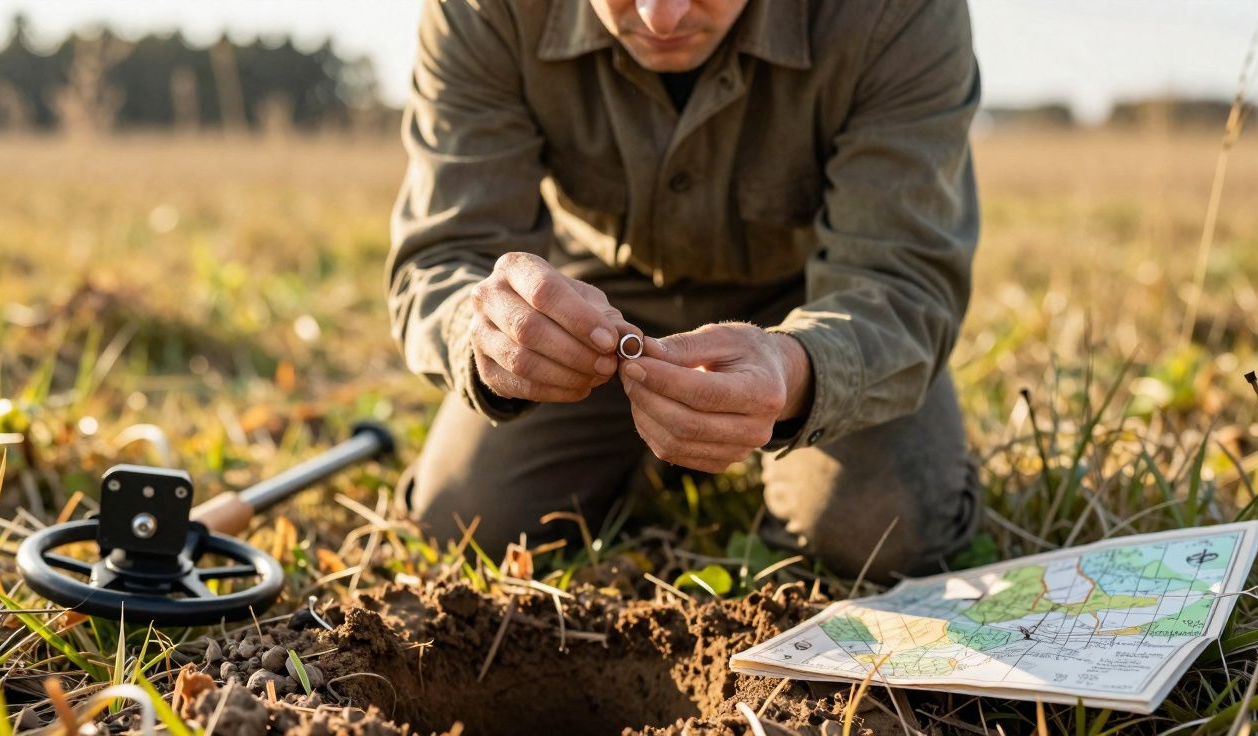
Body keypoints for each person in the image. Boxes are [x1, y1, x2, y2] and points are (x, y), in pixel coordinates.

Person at [386, 0, 982, 582]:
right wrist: (491, 334)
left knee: (879, 533)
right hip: (590, 302)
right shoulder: (480, 8)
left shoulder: (901, 13)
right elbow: (445, 256)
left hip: (821, 305)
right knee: (466, 520)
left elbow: (901, 279)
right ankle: (653, 451)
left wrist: (799, 368)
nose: (659, 19)